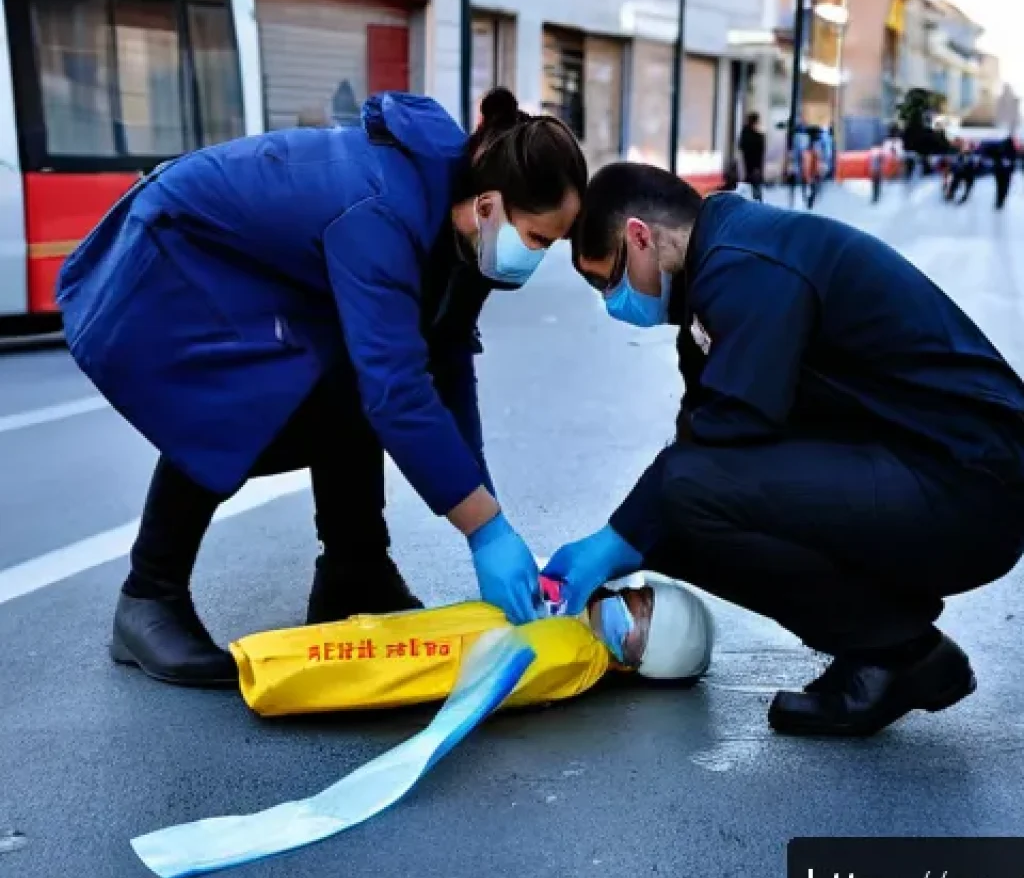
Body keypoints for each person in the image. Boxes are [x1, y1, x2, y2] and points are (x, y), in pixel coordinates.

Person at [56, 88, 588, 688]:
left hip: (252, 268)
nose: (537, 256)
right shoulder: (382, 210)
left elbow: (446, 367)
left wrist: (490, 515)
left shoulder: (467, 236)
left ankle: (354, 570)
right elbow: (398, 391)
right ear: (489, 205)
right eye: (538, 239)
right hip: (175, 256)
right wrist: (483, 530)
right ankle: (148, 596)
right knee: (242, 404)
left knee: (351, 381)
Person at [545, 162, 1024, 737]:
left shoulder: (745, 264)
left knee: (682, 496)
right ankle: (882, 643)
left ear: (640, 237)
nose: (612, 302)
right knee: (669, 516)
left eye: (609, 281)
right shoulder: (715, 272)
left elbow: (725, 434)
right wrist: (623, 539)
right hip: (922, 467)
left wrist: (613, 540)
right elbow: (703, 437)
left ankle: (899, 652)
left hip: (969, 484)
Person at [231, 571, 714, 717]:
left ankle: (272, 670)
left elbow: (492, 675)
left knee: (363, 656)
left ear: (637, 662)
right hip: (425, 637)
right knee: (369, 639)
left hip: (424, 655)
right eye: (634, 599)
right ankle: (270, 662)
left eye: (638, 621)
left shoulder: (578, 652)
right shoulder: (575, 618)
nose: (624, 606)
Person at [738, 112, 765, 202]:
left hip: (747, 163)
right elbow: (759, 150)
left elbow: (741, 146)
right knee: (755, 185)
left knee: (750, 185)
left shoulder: (745, 133)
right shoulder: (756, 136)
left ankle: (750, 201)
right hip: (754, 165)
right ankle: (757, 202)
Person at [992, 135, 1017, 210]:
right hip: (1004, 171)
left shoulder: (1000, 149)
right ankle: (1000, 201)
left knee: (1000, 186)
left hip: (1001, 171)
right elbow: (1013, 161)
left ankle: (999, 201)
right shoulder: (1011, 151)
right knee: (1004, 186)